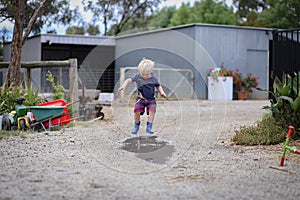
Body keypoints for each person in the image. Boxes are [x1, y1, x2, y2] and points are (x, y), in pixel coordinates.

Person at [118, 58, 167, 134]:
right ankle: (136, 126)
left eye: (146, 74)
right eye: (142, 74)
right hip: (141, 99)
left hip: (151, 99)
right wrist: (123, 86)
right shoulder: (138, 76)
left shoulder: (153, 78)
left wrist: (162, 92)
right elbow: (128, 80)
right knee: (137, 110)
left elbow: (158, 86)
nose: (144, 76)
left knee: (152, 111)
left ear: (150, 71)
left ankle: (149, 126)